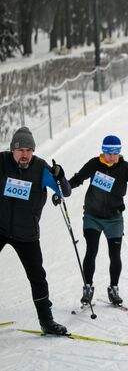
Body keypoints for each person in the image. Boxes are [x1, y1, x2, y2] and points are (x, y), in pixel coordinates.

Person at [0, 127, 71, 335]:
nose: (25, 154)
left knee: (37, 277)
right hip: (1, 227)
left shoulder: (41, 168)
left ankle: (46, 322)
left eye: (29, 150)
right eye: (20, 150)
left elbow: (65, 191)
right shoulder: (2, 162)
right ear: (12, 150)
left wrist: (60, 176)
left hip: (27, 234)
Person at [68, 136, 128, 306]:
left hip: (114, 218)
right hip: (92, 216)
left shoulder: (125, 168)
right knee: (91, 250)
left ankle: (114, 288)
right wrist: (63, 189)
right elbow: (78, 179)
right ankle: (88, 287)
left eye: (115, 153)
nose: (112, 157)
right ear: (103, 152)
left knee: (114, 255)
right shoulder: (94, 164)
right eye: (109, 153)